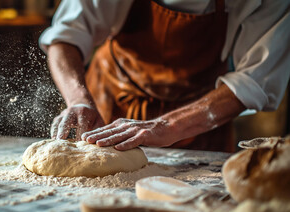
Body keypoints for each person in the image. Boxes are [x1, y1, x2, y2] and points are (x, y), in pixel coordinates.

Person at [39, 0, 290, 152]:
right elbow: (66, 36)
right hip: (109, 103)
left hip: (198, 119)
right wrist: (78, 99)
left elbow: (255, 79)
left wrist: (167, 126)